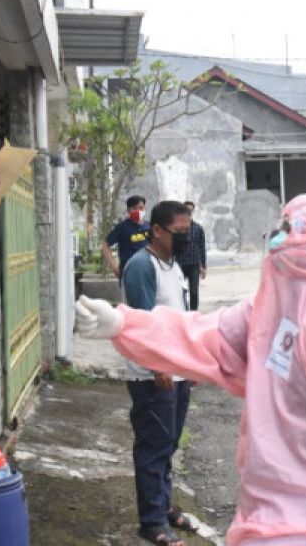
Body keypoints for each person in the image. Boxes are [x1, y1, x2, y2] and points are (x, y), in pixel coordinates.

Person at [75, 193, 306, 545]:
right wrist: (126, 325)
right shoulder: (282, 296)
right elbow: (212, 336)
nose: (278, 237)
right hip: (270, 512)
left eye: (288, 227)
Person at [120, 200, 197, 545]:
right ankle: (151, 521)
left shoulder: (173, 264)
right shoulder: (141, 265)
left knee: (169, 443)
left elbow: (177, 317)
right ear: (157, 230)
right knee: (153, 445)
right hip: (153, 375)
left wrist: (188, 362)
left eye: (188, 231)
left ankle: (164, 507)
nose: (185, 237)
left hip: (176, 370)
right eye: (179, 232)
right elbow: (141, 323)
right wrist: (158, 365)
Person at [104, 195, 151, 282]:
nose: (138, 211)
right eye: (134, 208)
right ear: (128, 210)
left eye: (141, 208)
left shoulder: (150, 226)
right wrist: (114, 267)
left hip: (148, 271)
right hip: (129, 272)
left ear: (145, 209)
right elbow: (105, 244)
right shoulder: (122, 227)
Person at [178, 201, 208, 311]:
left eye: (190, 210)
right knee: (179, 291)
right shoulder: (176, 228)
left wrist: (203, 266)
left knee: (194, 292)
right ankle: (182, 311)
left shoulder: (198, 228)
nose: (188, 212)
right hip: (179, 264)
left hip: (194, 264)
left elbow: (202, 247)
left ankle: (194, 313)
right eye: (186, 209)